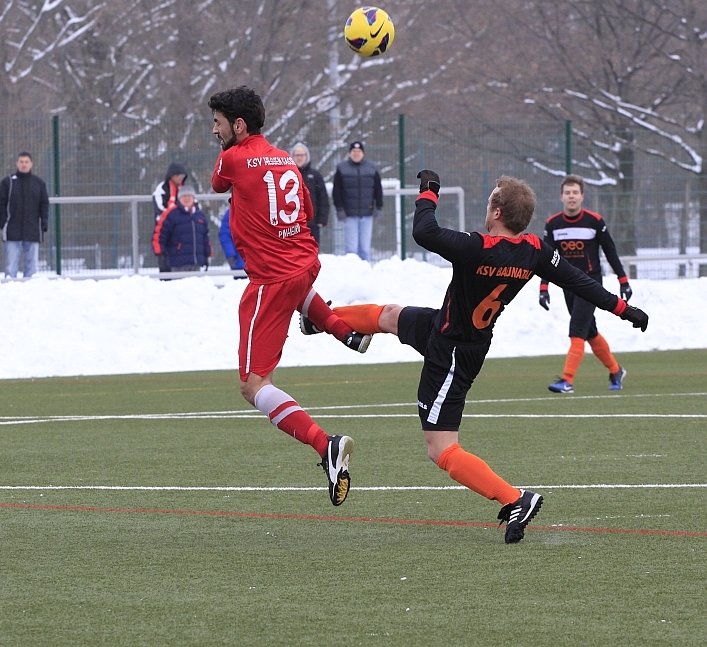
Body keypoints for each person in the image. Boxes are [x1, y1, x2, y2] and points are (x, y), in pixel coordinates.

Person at [309, 171, 648, 542]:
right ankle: (321, 317)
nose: (487, 207)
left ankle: (515, 498)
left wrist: (429, 192)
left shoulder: (478, 247)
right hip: (447, 328)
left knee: (441, 449)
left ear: (497, 212)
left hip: (453, 352)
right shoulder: (534, 250)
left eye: (490, 201)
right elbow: (579, 281)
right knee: (389, 315)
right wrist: (623, 308)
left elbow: (424, 231)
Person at [209, 86, 373, 507]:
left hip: (271, 282)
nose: (214, 131)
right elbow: (307, 212)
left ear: (238, 125)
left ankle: (325, 444)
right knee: (297, 287)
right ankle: (345, 332)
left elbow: (217, 184)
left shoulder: (232, 157)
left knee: (252, 385)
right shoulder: (286, 159)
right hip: (306, 263)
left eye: (218, 123)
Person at [540, 175, 632, 393]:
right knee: (589, 331)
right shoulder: (553, 224)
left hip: (590, 284)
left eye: (575, 192)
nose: (571, 196)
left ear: (582, 196)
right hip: (568, 285)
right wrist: (544, 287)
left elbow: (610, 251)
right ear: (561, 197)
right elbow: (547, 259)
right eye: (567, 193)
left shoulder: (595, 221)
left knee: (577, 329)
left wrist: (623, 280)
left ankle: (567, 380)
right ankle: (616, 370)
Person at [0, 151, 50, 278]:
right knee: (11, 267)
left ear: (31, 164)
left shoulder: (39, 183)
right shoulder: (8, 182)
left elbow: (44, 204)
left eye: (26, 162)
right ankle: (10, 288)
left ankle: (30, 288)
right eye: (21, 161)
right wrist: (3, 223)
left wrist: (44, 222)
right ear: (17, 163)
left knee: (32, 267)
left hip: (33, 230)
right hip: (12, 230)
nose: (24, 164)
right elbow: (0, 204)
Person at [332, 141, 383, 261]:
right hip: (349, 215)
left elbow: (378, 189)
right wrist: (339, 209)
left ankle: (365, 271)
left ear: (363, 153)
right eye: (353, 151)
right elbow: (337, 191)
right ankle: (352, 271)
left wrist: (379, 206)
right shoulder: (342, 168)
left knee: (365, 248)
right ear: (350, 153)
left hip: (367, 214)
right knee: (351, 249)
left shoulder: (372, 168)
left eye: (359, 151)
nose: (356, 153)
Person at [158, 184, 212, 272]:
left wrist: (207, 255)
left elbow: (205, 238)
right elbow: (161, 235)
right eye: (184, 196)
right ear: (179, 198)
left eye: (189, 196)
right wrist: (161, 254)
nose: (187, 198)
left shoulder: (200, 215)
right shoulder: (172, 215)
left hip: (196, 263)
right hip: (178, 262)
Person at [291, 143, 330, 247]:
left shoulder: (315, 175)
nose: (299, 158)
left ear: (306, 156)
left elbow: (323, 198)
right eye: (297, 155)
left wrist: (322, 219)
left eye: (302, 155)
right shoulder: (288, 174)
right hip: (293, 223)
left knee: (312, 249)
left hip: (312, 222)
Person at [152, 162, 187, 274]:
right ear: (171, 176)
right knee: (164, 259)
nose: (181, 178)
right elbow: (160, 209)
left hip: (181, 231)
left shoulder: (185, 190)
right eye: (178, 175)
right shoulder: (161, 190)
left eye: (182, 175)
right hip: (165, 230)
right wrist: (175, 218)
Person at [218, 208, 245, 274]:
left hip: (258, 265)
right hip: (239, 263)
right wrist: (230, 254)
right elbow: (225, 236)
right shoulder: (231, 213)